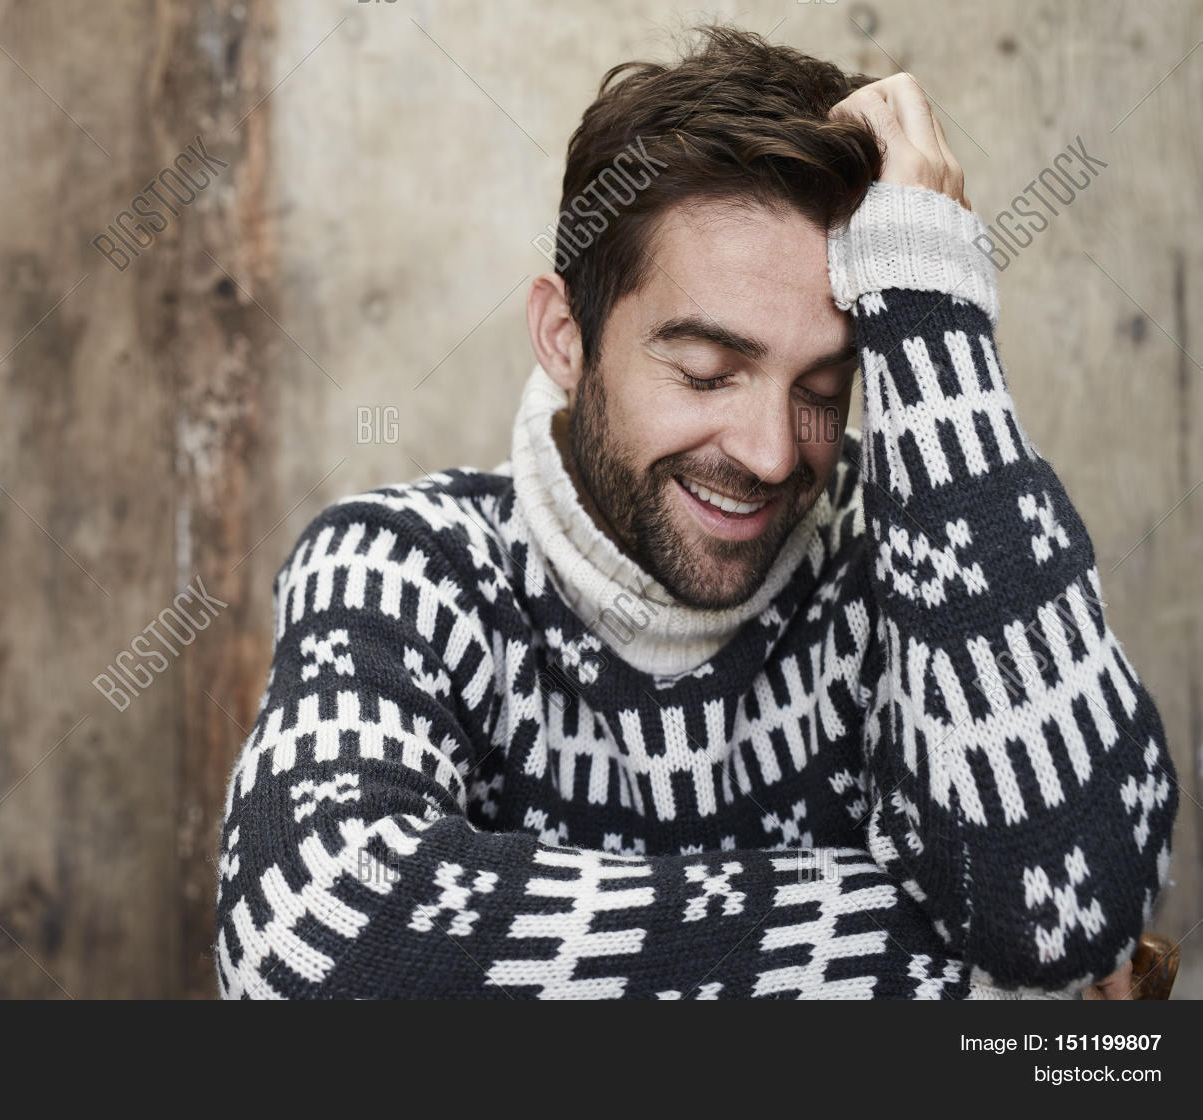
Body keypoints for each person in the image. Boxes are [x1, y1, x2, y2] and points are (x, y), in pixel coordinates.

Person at [214, 26, 1178, 999]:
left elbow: (1071, 914)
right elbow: (312, 944)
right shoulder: (401, 569)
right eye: (708, 372)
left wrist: (931, 313)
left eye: (824, 387)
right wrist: (916, 953)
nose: (768, 451)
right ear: (564, 335)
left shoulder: (905, 576)